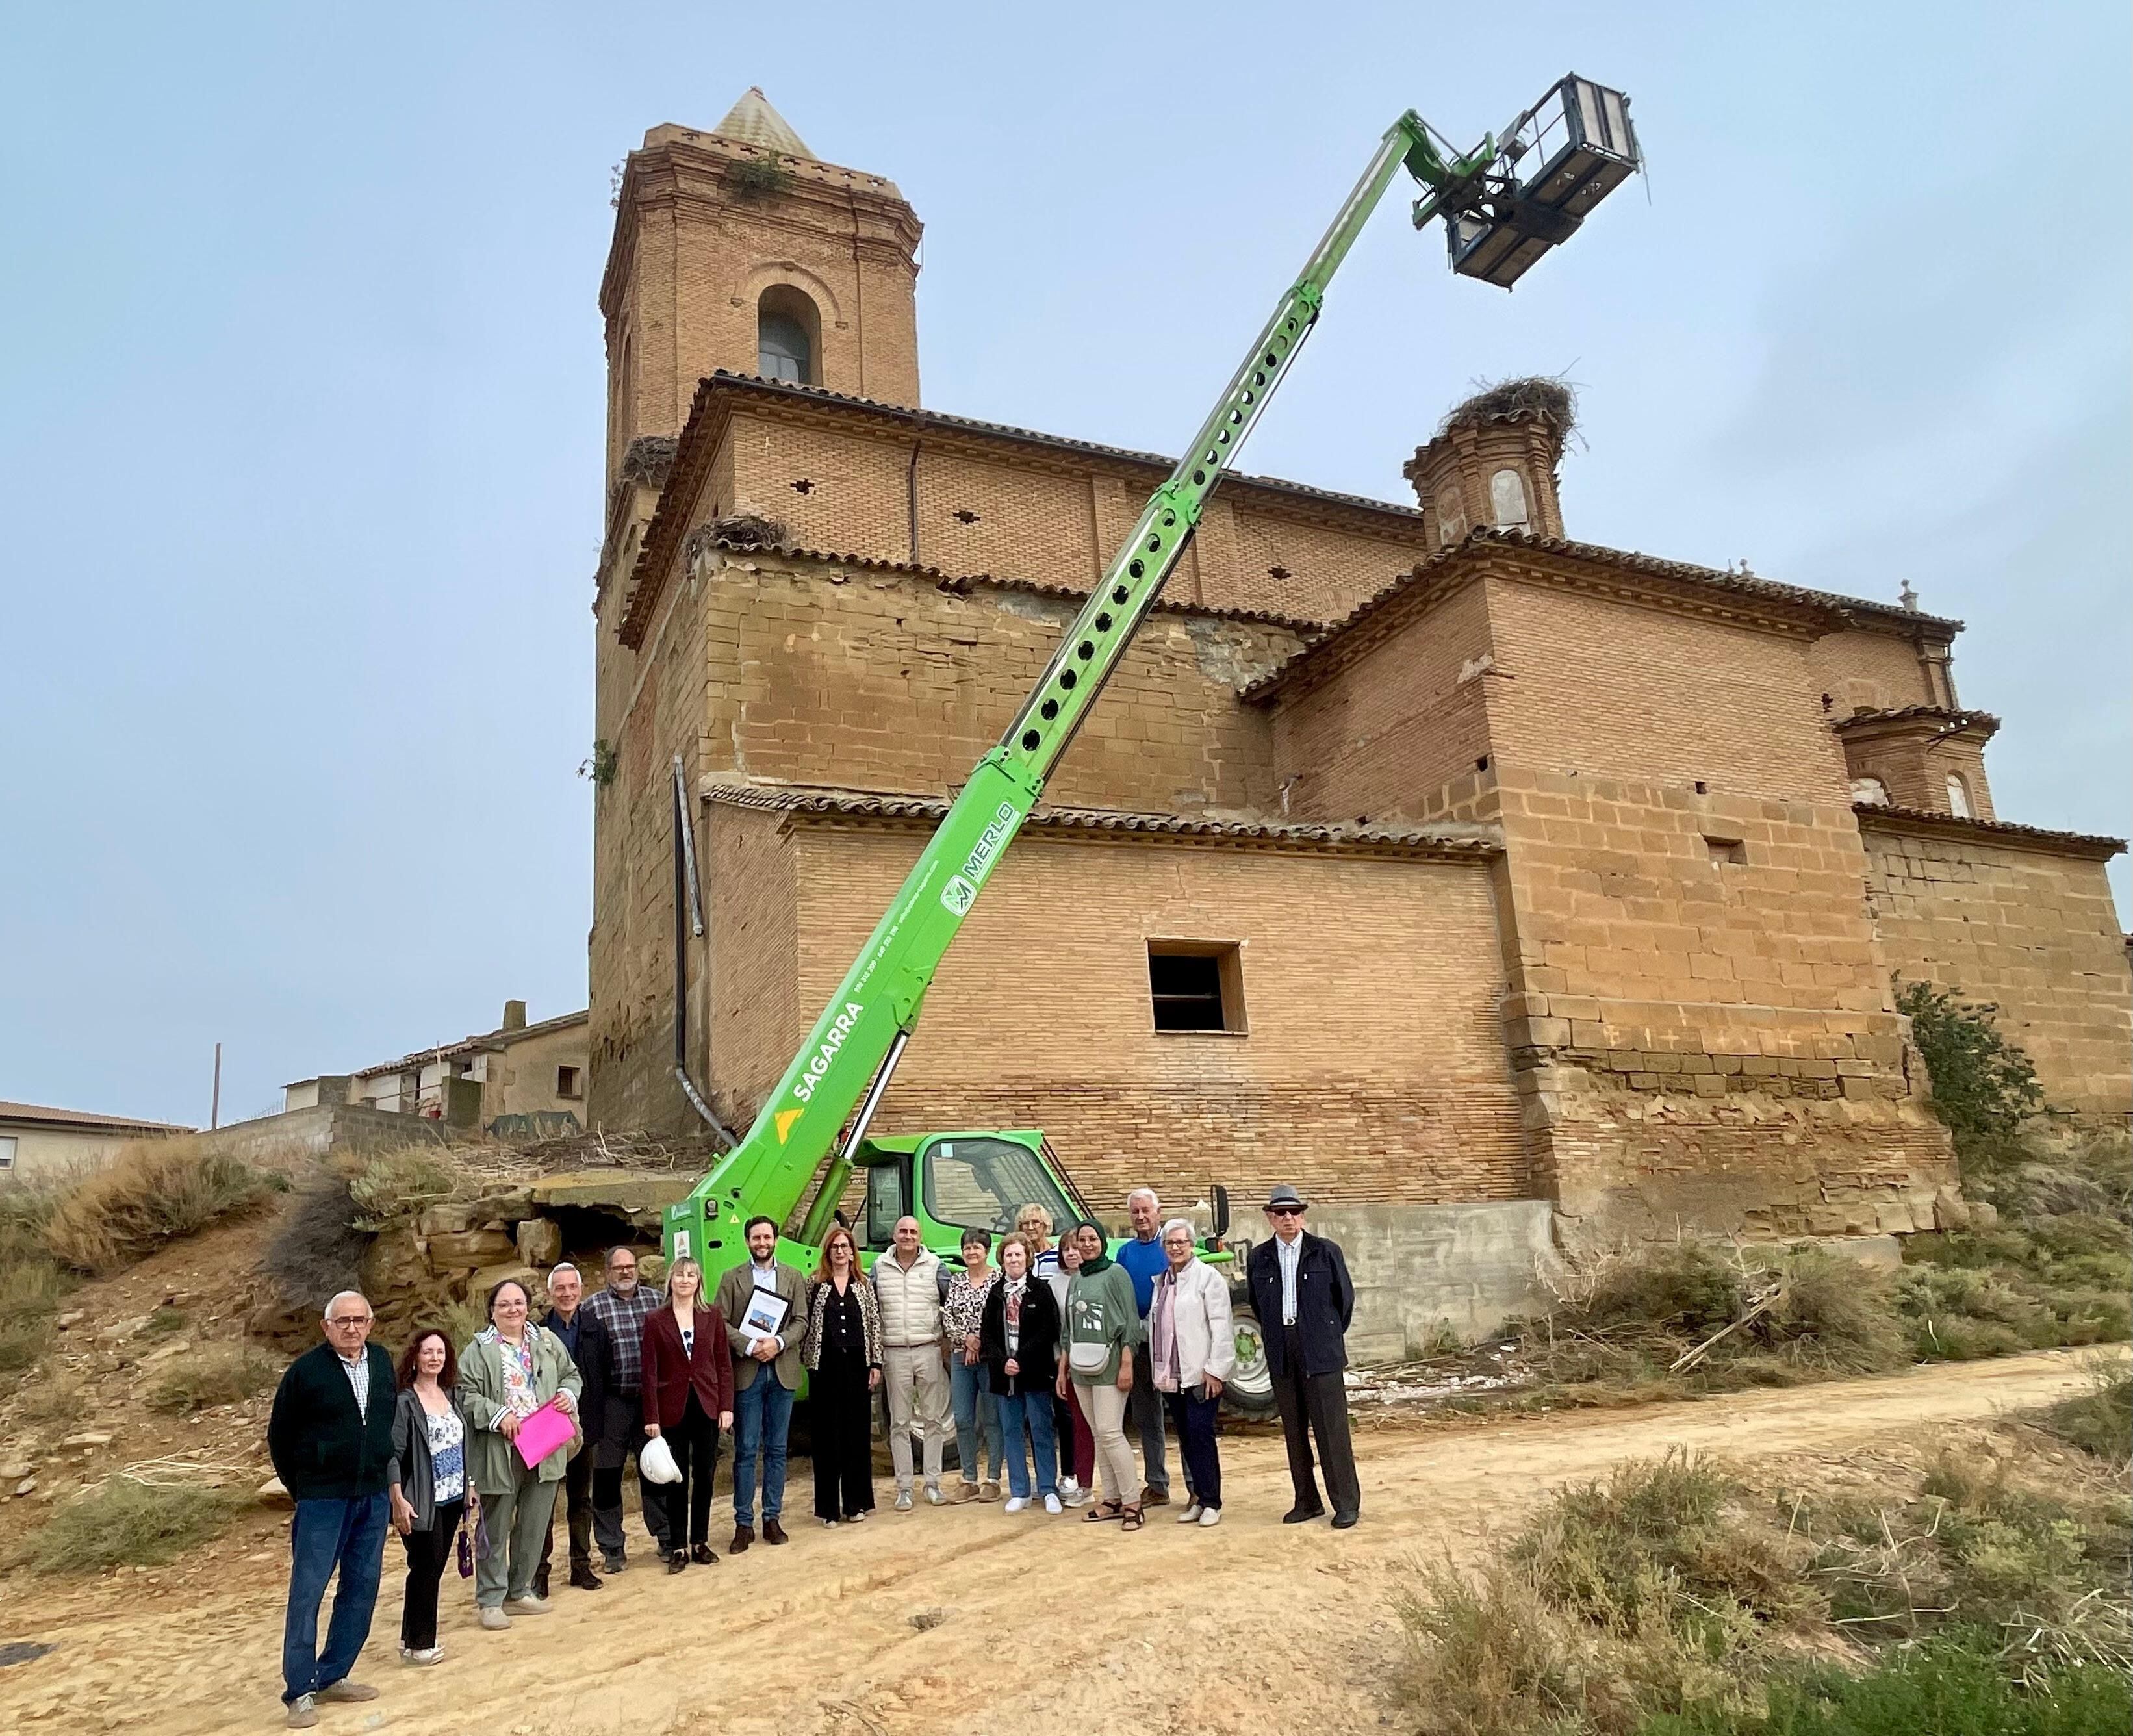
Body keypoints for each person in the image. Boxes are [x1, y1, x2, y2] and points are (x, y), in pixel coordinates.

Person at [266, 1290, 395, 1727]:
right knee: (308, 1593)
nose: (352, 1328)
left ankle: (334, 1674)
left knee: (362, 1586)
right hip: (322, 1500)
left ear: (371, 1324)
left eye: (359, 1320)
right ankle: (299, 1691)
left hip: (372, 1496)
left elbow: (384, 1425)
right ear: (326, 1327)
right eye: (343, 1321)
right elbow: (280, 1437)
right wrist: (300, 1486)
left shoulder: (380, 1362)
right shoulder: (306, 1372)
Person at [457, 1277, 583, 1628]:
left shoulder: (546, 1340)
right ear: (492, 1311)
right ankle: (490, 1599)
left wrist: (567, 1395)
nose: (512, 1310)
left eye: (518, 1303)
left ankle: (520, 1591)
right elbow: (465, 1395)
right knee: (496, 1525)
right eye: (504, 1304)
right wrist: (497, 1416)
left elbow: (572, 1375)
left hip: (545, 1443)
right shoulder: (478, 1350)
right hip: (501, 1449)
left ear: (528, 1306)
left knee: (534, 1522)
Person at [1245, 1185, 1360, 1528]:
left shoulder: (1325, 1252)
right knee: (1294, 1432)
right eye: (1280, 1213)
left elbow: (1345, 1301)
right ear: (1270, 1218)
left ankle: (1346, 1504)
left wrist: (1323, 1333)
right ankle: (1307, 1501)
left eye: (1294, 1212)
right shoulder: (1260, 1258)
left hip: (1320, 1350)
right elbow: (1257, 1303)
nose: (1288, 1218)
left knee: (1331, 1430)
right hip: (1283, 1348)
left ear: (1303, 1215)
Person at [714, 1215, 808, 1552]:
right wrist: (751, 1345)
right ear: (748, 1242)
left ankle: (772, 1517)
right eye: (756, 1238)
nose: (762, 1243)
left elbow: (801, 1321)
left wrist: (778, 1343)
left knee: (778, 1449)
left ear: (776, 1240)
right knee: (746, 1450)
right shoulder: (731, 1279)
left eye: (767, 1237)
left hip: (782, 1370)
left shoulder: (794, 1277)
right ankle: (743, 1524)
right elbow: (720, 1323)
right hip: (748, 1372)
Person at [639, 1257, 734, 1572]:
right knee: (676, 1479)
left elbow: (723, 1364)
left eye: (691, 1275)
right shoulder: (655, 1319)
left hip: (706, 1403)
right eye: (679, 1274)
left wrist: (726, 1406)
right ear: (670, 1280)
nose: (685, 1280)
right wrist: (651, 1416)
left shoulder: (712, 1316)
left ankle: (700, 1542)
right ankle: (678, 1545)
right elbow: (649, 1372)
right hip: (671, 1407)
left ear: (698, 1282)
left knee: (705, 1475)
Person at [581, 1245, 669, 1572]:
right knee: (606, 1476)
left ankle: (666, 1537)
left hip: (650, 1402)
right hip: (611, 1403)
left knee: (656, 1472)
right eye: (619, 1268)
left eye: (630, 1266)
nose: (626, 1272)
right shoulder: (593, 1308)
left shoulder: (656, 1300)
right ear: (608, 1272)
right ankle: (612, 1548)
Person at [385, 1328, 470, 1666]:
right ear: (415, 1358)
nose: (434, 1358)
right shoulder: (406, 1401)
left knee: (428, 1568)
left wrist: (470, 1485)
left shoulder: (451, 1394)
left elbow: (465, 1445)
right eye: (427, 1352)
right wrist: (397, 1499)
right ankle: (422, 1645)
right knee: (426, 1567)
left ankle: (412, 1640)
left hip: (453, 1496)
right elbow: (393, 1453)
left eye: (440, 1352)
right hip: (421, 1498)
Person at [1058, 1220, 1145, 1532]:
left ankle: (1132, 1501)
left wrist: (1127, 1363)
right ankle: (1111, 1498)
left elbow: (1130, 1323)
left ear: (1102, 1241)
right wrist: (1063, 1367)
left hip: (1110, 1365)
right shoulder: (1077, 1278)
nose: (1087, 1244)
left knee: (1110, 1431)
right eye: (1082, 1240)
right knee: (1098, 1434)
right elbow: (1069, 1327)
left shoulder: (1116, 1274)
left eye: (1093, 1238)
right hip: (1082, 1367)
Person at [1149, 1218, 1234, 1528]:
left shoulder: (1208, 1279)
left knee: (1201, 1436)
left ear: (1192, 1245)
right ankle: (1198, 1497)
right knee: (1186, 1438)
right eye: (1170, 1243)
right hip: (1173, 1376)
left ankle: (1212, 1501)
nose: (1175, 1248)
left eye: (1181, 1243)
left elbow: (1222, 1326)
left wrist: (1216, 1370)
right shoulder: (1162, 1281)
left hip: (1201, 1375)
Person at [534, 1262, 609, 1596]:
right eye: (559, 1288)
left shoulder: (596, 1328)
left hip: (584, 1425)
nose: (566, 1294)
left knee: (581, 1499)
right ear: (550, 1293)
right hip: (547, 1427)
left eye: (572, 1288)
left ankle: (581, 1566)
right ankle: (539, 1573)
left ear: (581, 1291)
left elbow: (604, 1373)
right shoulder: (535, 1333)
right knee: (544, 1503)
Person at [799, 1225, 882, 1525]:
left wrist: (876, 1364)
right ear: (828, 1252)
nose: (840, 1251)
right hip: (825, 1368)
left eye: (845, 1246)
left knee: (856, 1437)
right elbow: (805, 1323)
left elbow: (874, 1324)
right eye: (834, 1246)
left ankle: (856, 1503)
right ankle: (829, 1509)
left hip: (858, 1367)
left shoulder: (864, 1284)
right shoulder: (815, 1285)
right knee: (827, 1438)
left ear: (852, 1252)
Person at [978, 1232, 1062, 1514]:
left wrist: (1021, 1359)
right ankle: (1019, 1490)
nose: (1013, 1259)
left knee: (1041, 1429)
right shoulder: (995, 1292)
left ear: (1027, 1258)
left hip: (1035, 1371)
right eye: (1009, 1255)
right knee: (1011, 1430)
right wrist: (1003, 1361)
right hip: (1005, 1375)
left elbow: (1049, 1329)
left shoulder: (1041, 1290)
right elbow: (987, 1334)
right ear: (1001, 1259)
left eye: (1018, 1255)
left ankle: (1048, 1489)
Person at [871, 1215, 950, 1511]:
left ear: (920, 1236)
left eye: (913, 1232)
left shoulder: (936, 1267)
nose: (908, 1236)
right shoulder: (879, 1268)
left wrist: (947, 1340)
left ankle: (933, 1483)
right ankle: (904, 1487)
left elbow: (951, 1302)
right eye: (903, 1231)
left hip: (928, 1349)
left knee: (933, 1419)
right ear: (894, 1235)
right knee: (900, 1423)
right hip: (894, 1353)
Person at [1115, 1187, 1174, 1508]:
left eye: (1145, 1211)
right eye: (1135, 1212)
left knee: (1181, 1413)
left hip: (1172, 1343)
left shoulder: (1172, 1246)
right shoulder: (1125, 1253)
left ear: (1158, 1212)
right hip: (1139, 1342)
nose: (1140, 1217)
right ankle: (1158, 1485)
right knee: (1146, 1416)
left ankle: (1196, 1486)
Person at [941, 1228, 1004, 1503]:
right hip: (960, 1356)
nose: (971, 1252)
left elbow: (1002, 1317)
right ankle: (969, 1478)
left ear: (987, 1251)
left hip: (990, 1358)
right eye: (967, 1247)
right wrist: (966, 1341)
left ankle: (992, 1479)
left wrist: (980, 1342)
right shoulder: (956, 1281)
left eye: (977, 1247)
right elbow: (948, 1317)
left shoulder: (998, 1280)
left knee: (992, 1419)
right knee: (964, 1418)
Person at [1045, 1227, 1095, 1506]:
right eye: (1067, 1249)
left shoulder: (1096, 1278)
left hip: (1095, 1360)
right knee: (1067, 1419)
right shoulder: (1055, 1284)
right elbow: (1055, 1327)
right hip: (1064, 1361)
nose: (1073, 1252)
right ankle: (1072, 1475)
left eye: (1076, 1247)